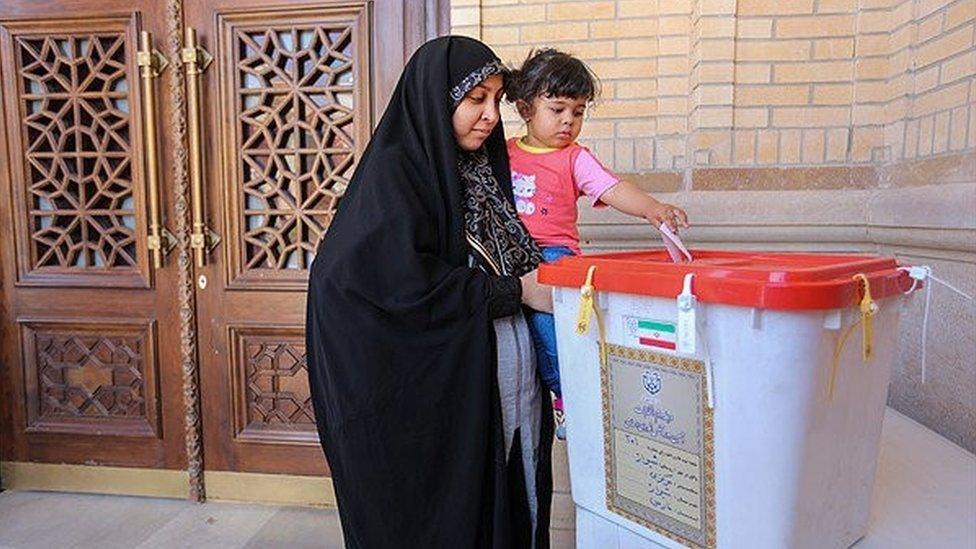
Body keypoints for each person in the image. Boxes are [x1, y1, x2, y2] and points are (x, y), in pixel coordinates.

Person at [305, 36, 554, 548]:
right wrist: (509, 293)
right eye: (473, 99)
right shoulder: (397, 174)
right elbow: (367, 281)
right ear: (435, 99)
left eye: (495, 99)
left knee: (512, 480)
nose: (489, 115)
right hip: (446, 383)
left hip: (503, 363)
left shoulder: (482, 171)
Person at [506, 48, 690, 438]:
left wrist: (652, 208)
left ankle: (566, 397)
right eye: (557, 109)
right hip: (509, 257)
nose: (568, 121)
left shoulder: (574, 158)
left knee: (547, 326)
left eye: (578, 111)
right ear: (525, 109)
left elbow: (612, 187)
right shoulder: (502, 153)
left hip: (555, 260)